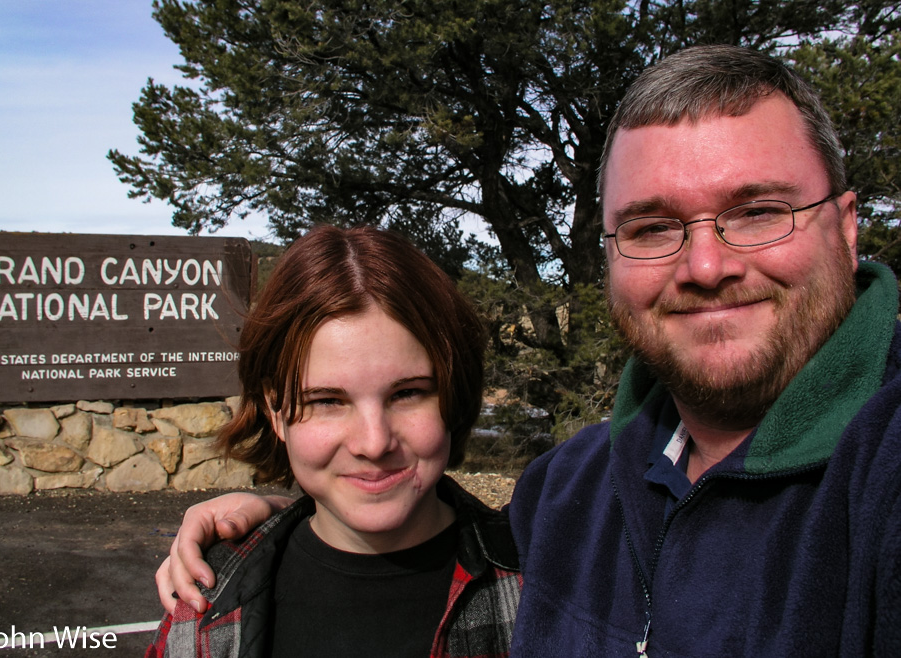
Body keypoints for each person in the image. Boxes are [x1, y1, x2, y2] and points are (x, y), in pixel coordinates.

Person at [158, 45, 901, 655]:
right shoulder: (563, 500)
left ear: (844, 225)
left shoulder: (881, 475)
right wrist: (274, 514)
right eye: (652, 228)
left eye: (759, 211)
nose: (706, 266)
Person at [145, 225, 521, 658]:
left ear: (454, 393)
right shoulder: (207, 598)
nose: (374, 443)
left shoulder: (546, 586)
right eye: (326, 400)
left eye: (408, 393)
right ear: (275, 411)